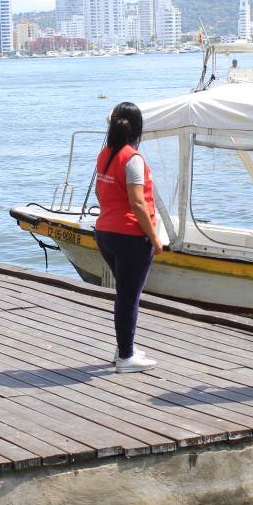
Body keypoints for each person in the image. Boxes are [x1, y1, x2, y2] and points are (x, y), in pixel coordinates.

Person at [93, 102, 161, 373]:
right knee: (129, 296)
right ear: (138, 128)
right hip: (130, 236)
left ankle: (123, 347)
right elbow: (138, 202)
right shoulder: (133, 158)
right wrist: (154, 238)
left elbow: (99, 192)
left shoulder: (105, 154)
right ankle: (126, 357)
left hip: (105, 232)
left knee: (124, 293)